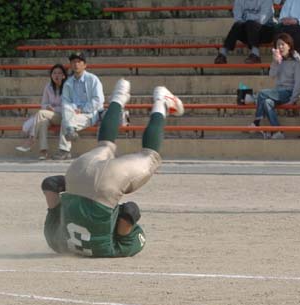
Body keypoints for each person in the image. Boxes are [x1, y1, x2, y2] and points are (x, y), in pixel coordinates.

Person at [41, 79, 184, 257]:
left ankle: (162, 101)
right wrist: (72, 187)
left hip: (106, 187)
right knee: (105, 145)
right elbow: (50, 184)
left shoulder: (109, 249)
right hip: (76, 174)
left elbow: (130, 211)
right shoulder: (55, 241)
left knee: (150, 156)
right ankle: (119, 95)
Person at [53, 52, 104, 160]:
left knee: (65, 121)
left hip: (89, 114)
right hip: (72, 112)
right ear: (71, 65)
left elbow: (98, 100)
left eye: (79, 62)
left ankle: (64, 150)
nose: (76, 64)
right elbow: (65, 102)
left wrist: (82, 109)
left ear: (84, 65)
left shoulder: (93, 79)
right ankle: (70, 131)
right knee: (66, 108)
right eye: (73, 62)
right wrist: (73, 109)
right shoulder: (68, 83)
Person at [251, 33, 300, 139]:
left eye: (283, 44)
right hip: (278, 92)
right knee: (266, 102)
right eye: (278, 45)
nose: (280, 47)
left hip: (288, 92)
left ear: (289, 46)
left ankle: (256, 122)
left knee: (262, 93)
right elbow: (272, 75)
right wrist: (275, 62)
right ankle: (278, 130)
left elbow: (298, 82)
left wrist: (293, 99)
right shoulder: (278, 59)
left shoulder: (296, 61)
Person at [16, 63, 67, 160]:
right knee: (42, 122)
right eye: (54, 73)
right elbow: (43, 103)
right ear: (51, 75)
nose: (56, 75)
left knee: (40, 113)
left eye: (59, 73)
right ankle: (43, 151)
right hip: (49, 115)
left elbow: (67, 107)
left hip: (63, 116)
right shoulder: (48, 87)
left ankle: (31, 140)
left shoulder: (67, 87)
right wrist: (47, 106)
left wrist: (54, 109)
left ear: (64, 75)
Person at [214, 0, 276, 65]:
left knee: (251, 23)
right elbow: (237, 19)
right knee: (237, 25)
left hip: (267, 31)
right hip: (249, 32)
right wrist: (251, 18)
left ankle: (255, 54)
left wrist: (246, 16)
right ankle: (222, 54)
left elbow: (262, 20)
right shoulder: (239, 1)